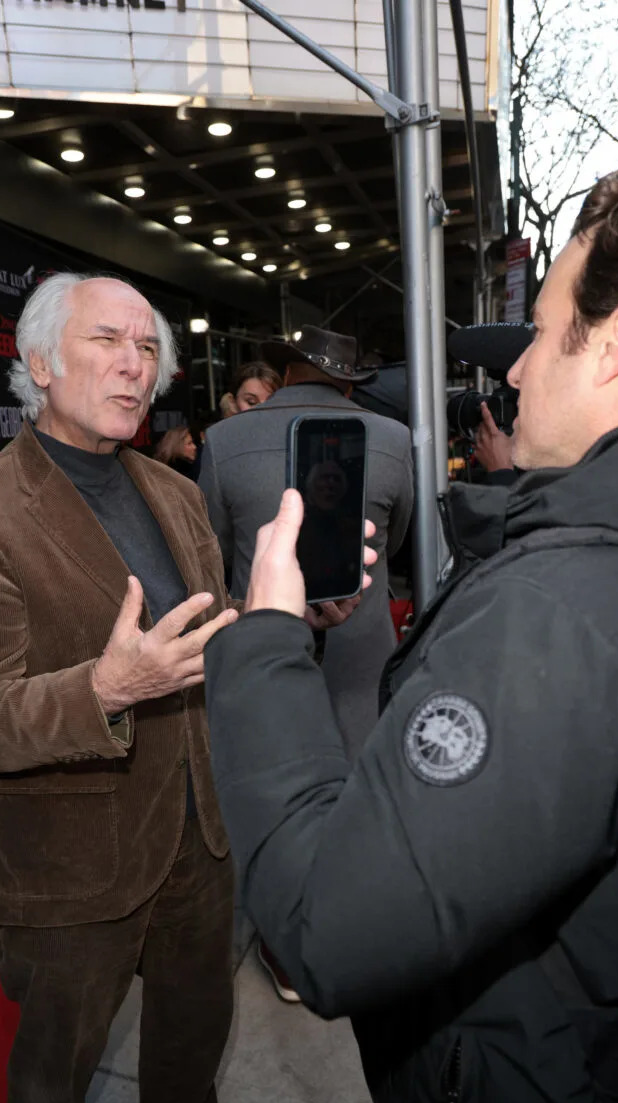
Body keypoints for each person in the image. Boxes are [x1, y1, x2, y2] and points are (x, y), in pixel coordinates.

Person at [202, 161, 618, 1103]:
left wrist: (267, 636)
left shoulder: (565, 612)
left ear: (616, 343)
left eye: (541, 332)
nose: (515, 372)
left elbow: (326, 926)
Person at [0, 273, 267, 1103]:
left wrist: (278, 619)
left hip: (197, 830)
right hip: (67, 856)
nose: (133, 365)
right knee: (54, 1075)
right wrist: (105, 689)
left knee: (195, 1022)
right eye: (106, 341)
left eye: (147, 348)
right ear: (38, 363)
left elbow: (203, 638)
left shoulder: (175, 493)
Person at [198, 325, 412, 1002]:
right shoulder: (394, 438)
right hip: (361, 648)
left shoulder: (224, 441)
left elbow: (210, 548)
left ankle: (286, 952)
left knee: (271, 789)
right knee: (359, 795)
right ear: (349, 381)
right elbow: (396, 541)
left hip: (264, 635)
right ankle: (356, 934)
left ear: (287, 371)